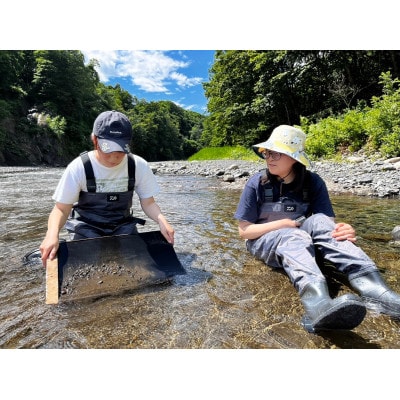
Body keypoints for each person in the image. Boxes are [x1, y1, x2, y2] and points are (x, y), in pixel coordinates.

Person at [234, 124, 400, 333]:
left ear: (294, 158)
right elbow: (244, 231)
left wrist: (342, 229)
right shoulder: (256, 184)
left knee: (321, 221)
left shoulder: (312, 181)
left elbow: (326, 222)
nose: (269, 158)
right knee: (292, 235)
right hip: (263, 240)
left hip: (299, 235)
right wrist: (283, 224)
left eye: (276, 153)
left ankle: (379, 292)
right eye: (267, 152)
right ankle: (318, 303)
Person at [40, 110, 175, 267]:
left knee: (134, 263)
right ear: (94, 140)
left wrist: (162, 221)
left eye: (120, 150)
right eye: (108, 149)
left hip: (123, 226)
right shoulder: (79, 167)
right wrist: (52, 234)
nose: (114, 157)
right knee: (85, 264)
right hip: (86, 228)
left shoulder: (138, 165)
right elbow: (61, 209)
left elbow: (149, 203)